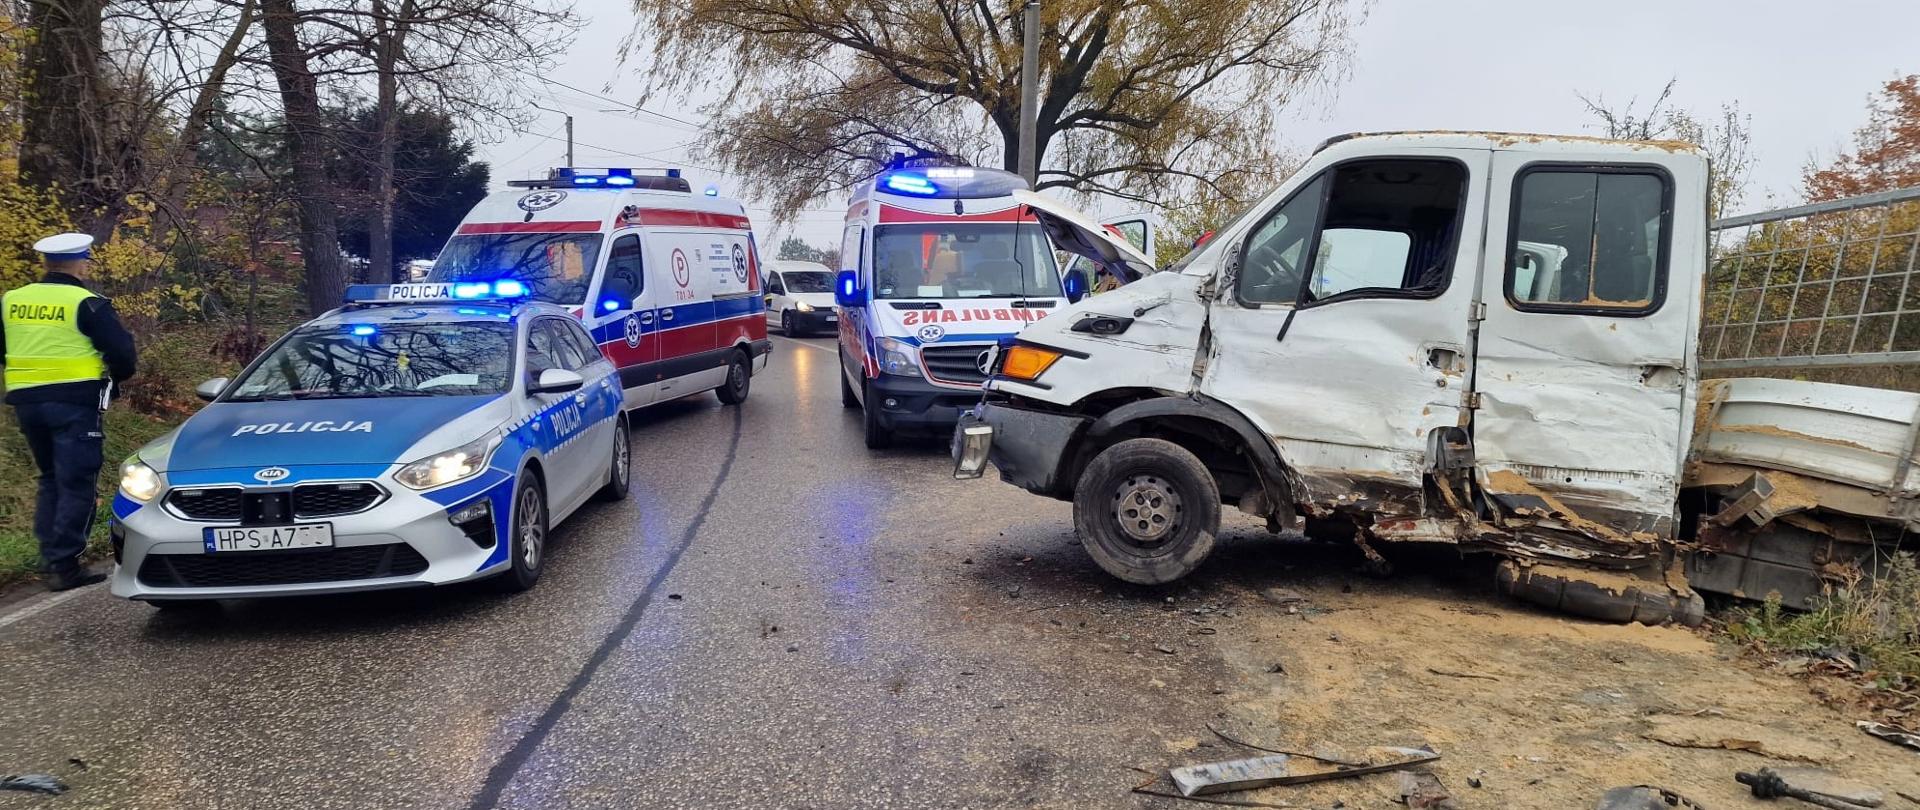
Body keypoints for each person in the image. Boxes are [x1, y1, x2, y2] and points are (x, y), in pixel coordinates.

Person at [3, 233, 137, 591]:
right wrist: (117, 378)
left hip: (27, 402)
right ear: (81, 262)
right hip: (74, 404)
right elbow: (122, 353)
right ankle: (65, 565)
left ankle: (51, 557)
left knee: (50, 478)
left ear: (47, 263)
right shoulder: (87, 302)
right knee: (76, 481)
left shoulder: (12, 300)